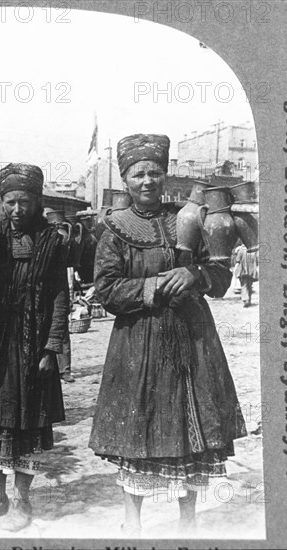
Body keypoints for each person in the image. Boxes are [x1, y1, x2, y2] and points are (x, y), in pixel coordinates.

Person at [89, 134, 247, 536]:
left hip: (192, 339)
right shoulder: (113, 229)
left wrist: (193, 273)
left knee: (191, 428)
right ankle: (133, 520)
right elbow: (107, 291)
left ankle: (188, 522)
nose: (148, 181)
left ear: (165, 175)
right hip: (138, 341)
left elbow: (220, 277)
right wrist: (157, 284)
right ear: (125, 179)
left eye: (155, 172)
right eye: (138, 174)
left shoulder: (189, 219)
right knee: (138, 425)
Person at [0, 163, 69, 531]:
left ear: (37, 201)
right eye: (10, 201)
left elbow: (59, 296)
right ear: (0, 201)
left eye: (25, 202)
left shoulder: (51, 240)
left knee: (25, 419)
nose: (17, 210)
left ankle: (21, 500)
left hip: (30, 342)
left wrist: (52, 346)